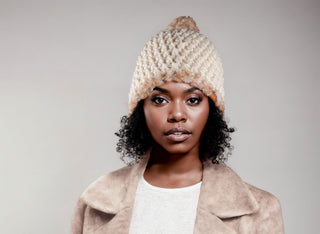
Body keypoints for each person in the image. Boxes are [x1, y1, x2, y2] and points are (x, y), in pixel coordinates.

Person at [71, 16, 285, 234]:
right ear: (140, 108)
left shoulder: (260, 211)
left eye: (193, 100)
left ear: (212, 109)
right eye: (160, 100)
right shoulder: (96, 202)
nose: (177, 114)